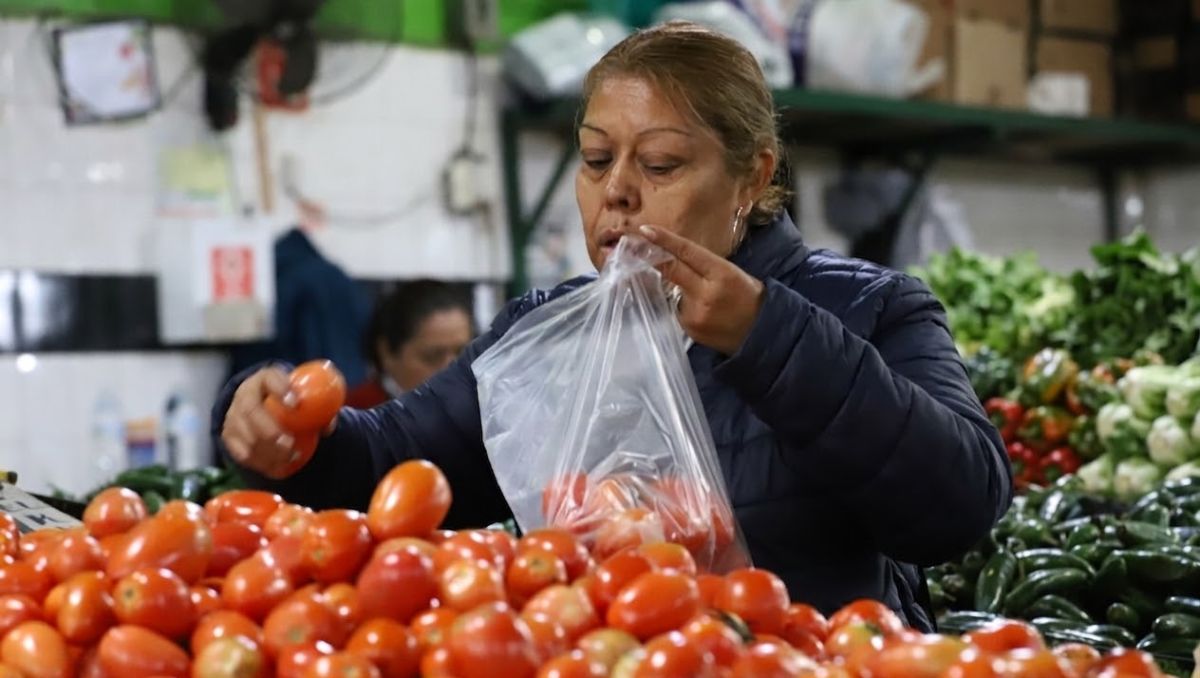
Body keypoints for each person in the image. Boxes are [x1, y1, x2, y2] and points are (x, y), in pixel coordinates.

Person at [213, 22, 1011, 630]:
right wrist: (285, 432)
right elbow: (386, 466)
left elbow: (959, 503)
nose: (617, 193)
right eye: (596, 162)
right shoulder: (548, 339)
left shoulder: (871, 307)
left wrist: (769, 337)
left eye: (660, 165)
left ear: (754, 175)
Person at [345, 281, 474, 409]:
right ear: (387, 353)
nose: (451, 372)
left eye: (463, 355)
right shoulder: (352, 417)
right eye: (432, 357)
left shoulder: (480, 412)